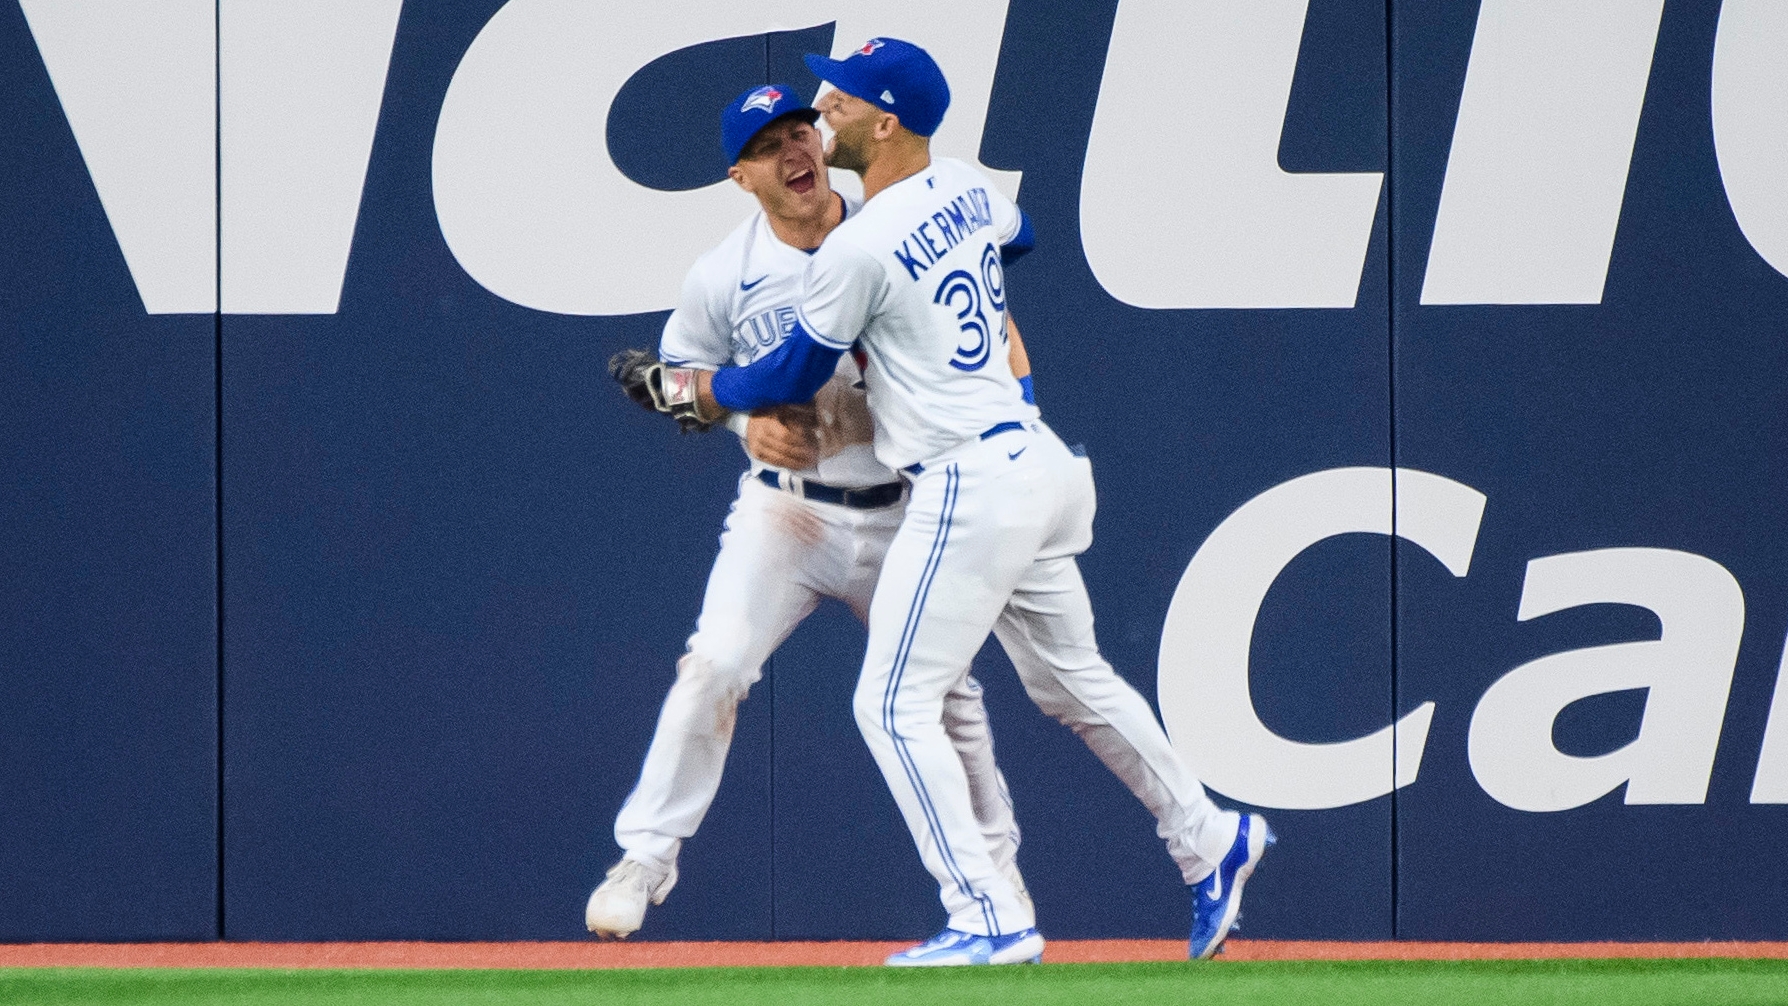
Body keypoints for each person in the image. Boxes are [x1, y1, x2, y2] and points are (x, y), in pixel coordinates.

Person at [636, 38, 1273, 964]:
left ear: (883, 120)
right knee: (1072, 680)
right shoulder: (969, 184)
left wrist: (693, 394)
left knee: (894, 706)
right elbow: (1018, 238)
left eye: (839, 103)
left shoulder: (858, 245)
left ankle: (988, 915)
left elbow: (789, 371)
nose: (824, 117)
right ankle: (1211, 839)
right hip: (1040, 457)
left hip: (971, 477)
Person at [587, 84, 1031, 940]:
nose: (795, 151)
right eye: (768, 146)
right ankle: (646, 855)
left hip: (909, 505)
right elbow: (682, 380)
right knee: (714, 664)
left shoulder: (892, 216)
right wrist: (745, 424)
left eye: (801, 131)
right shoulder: (724, 274)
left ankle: (999, 877)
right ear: (741, 177)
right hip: (790, 517)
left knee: (945, 699)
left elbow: (992, 311)